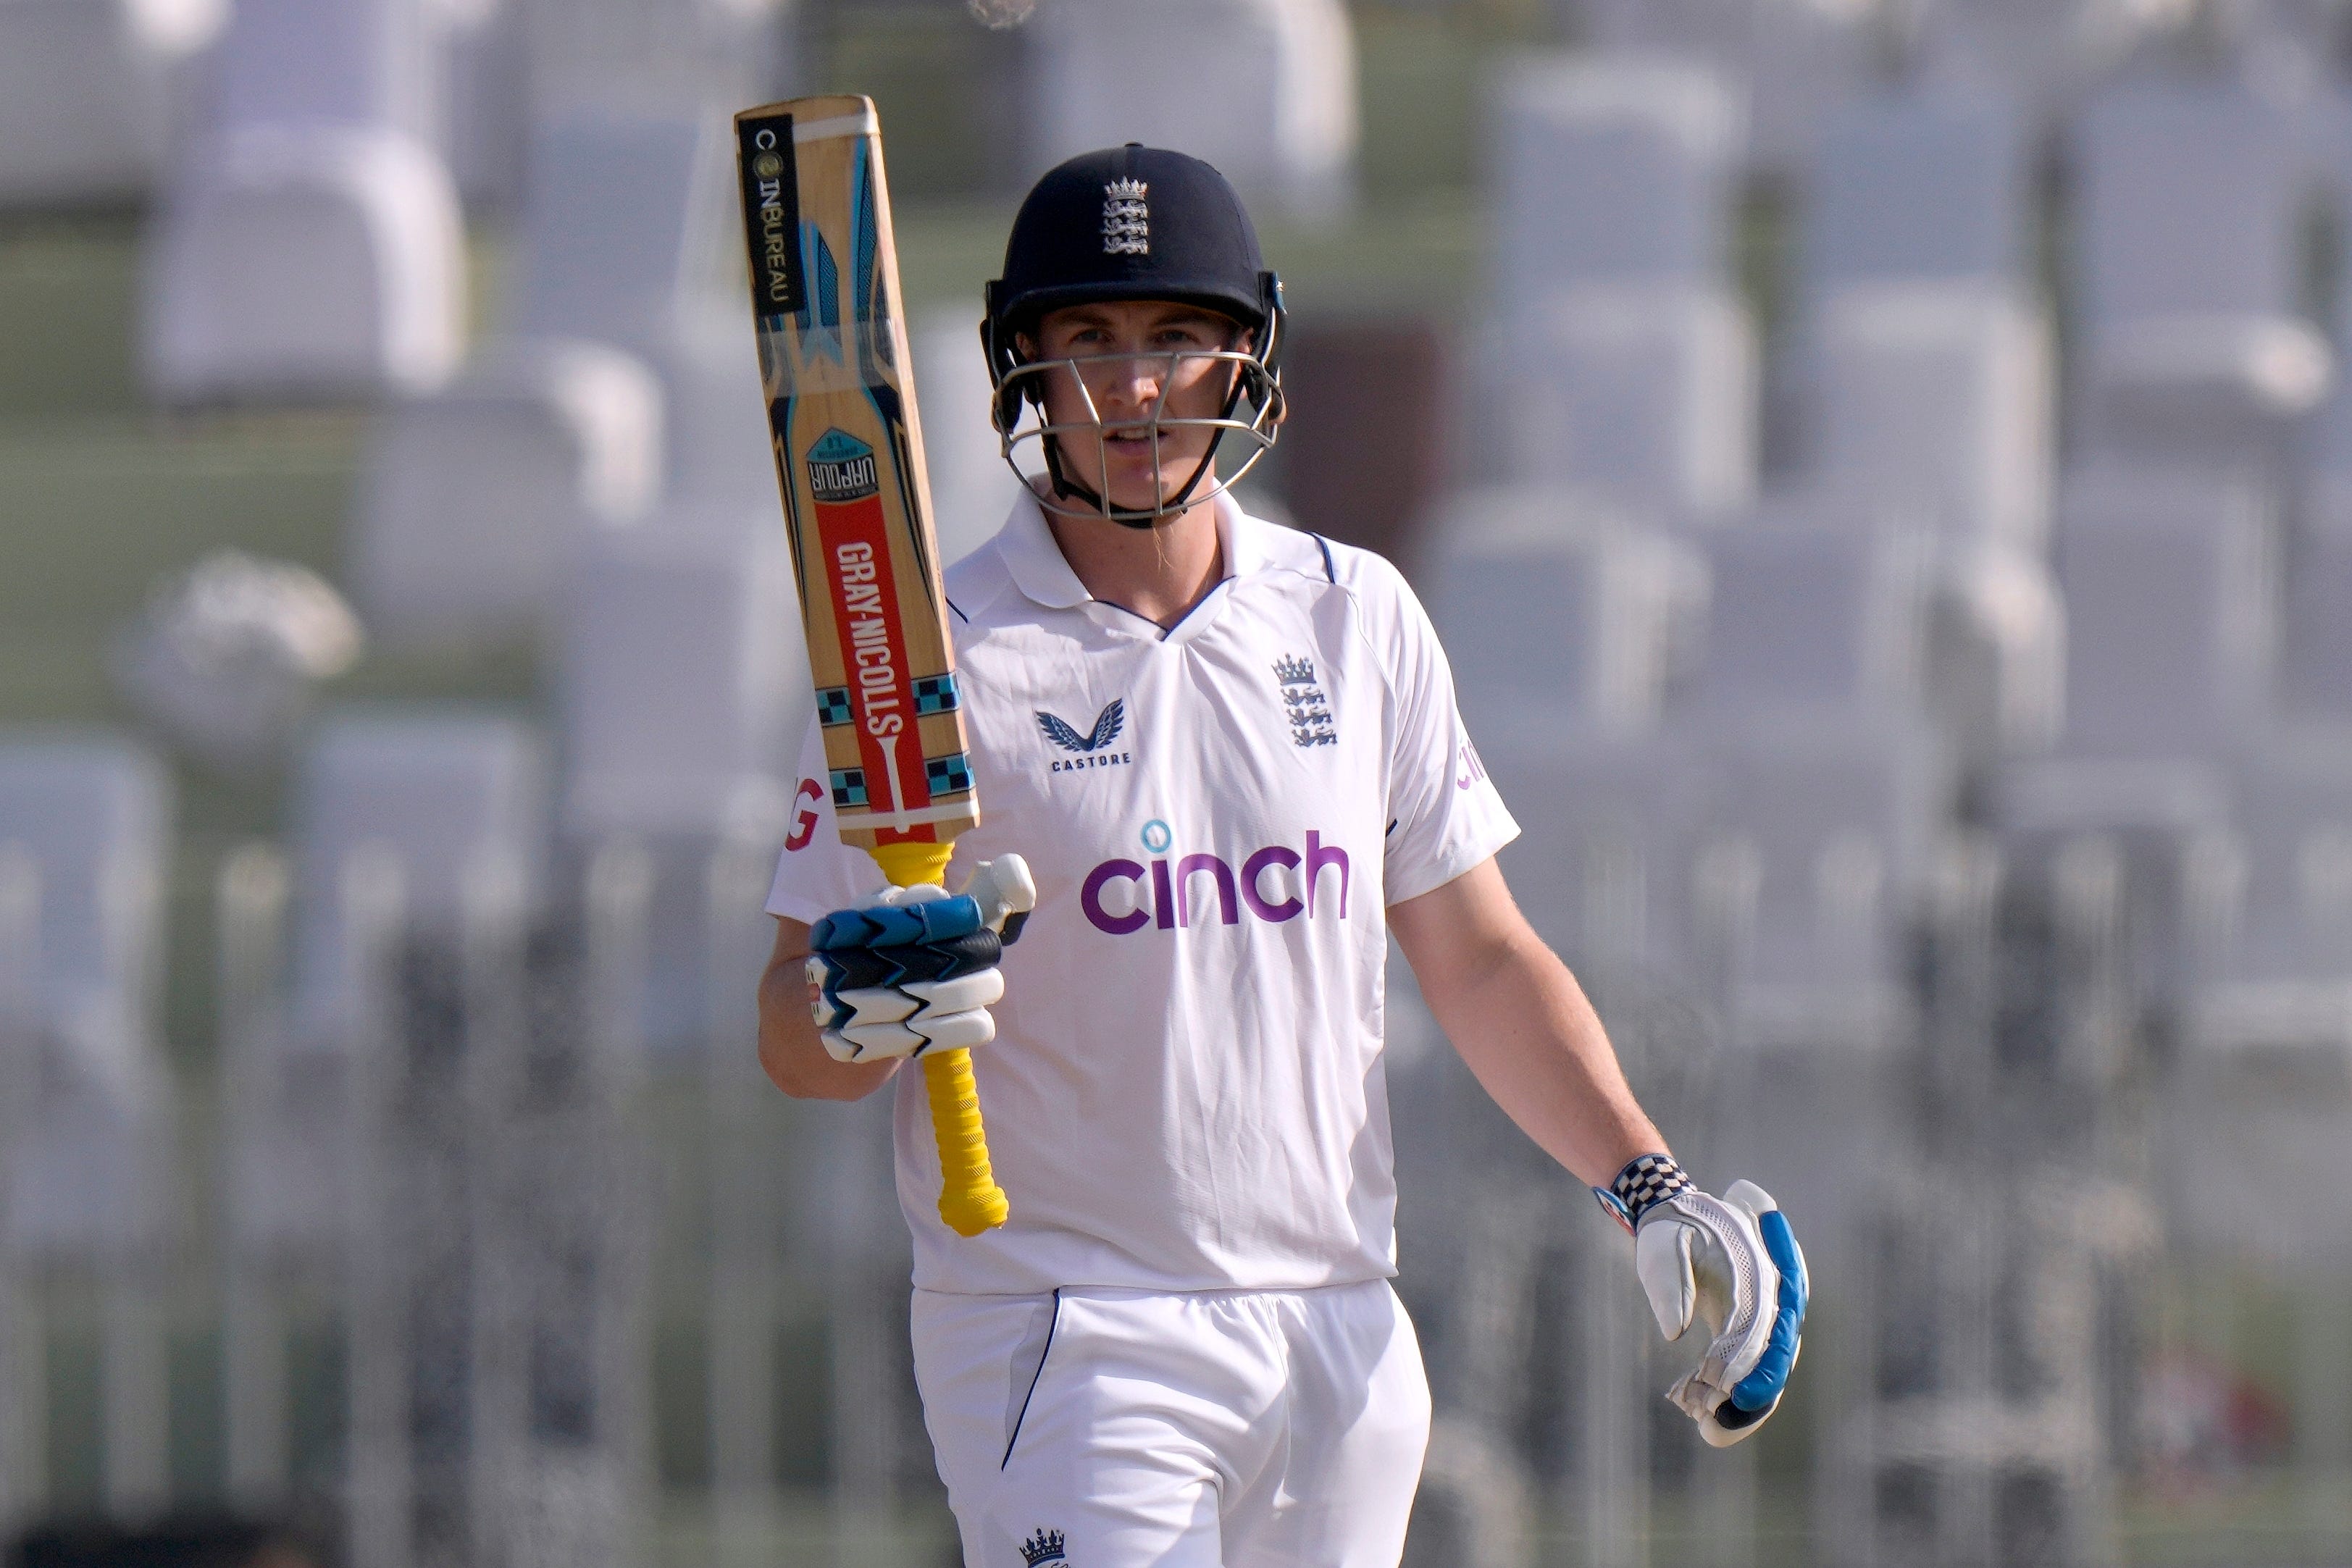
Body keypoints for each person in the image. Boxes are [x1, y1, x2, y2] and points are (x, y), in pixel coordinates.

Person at [756, 143, 1806, 1568]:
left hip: (1340, 1329)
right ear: (1023, 371)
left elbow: (1480, 955)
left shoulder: (1351, 614)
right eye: (1089, 343)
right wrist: (853, 1009)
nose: (1133, 389)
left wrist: (1645, 1183)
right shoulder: (927, 656)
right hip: (1069, 1338)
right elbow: (793, 1034)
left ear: (1248, 362)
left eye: (1177, 339)